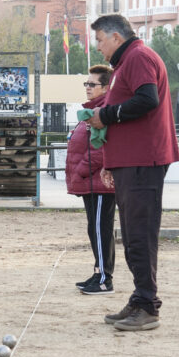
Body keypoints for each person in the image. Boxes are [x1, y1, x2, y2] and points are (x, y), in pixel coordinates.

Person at [88, 14, 179, 331]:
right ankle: (140, 300)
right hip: (132, 161)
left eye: (99, 39)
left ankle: (148, 306)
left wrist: (105, 115)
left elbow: (147, 99)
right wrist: (113, 161)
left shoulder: (138, 56)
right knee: (131, 234)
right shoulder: (126, 63)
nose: (97, 46)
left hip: (145, 160)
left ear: (115, 37)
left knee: (140, 234)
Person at [66, 64, 116, 295]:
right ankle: (98, 273)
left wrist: (80, 172)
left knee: (100, 230)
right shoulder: (93, 110)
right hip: (91, 183)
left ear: (105, 87)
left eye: (92, 84)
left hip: (100, 184)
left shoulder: (103, 111)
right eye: (86, 83)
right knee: (94, 229)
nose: (87, 87)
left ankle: (105, 279)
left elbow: (99, 151)